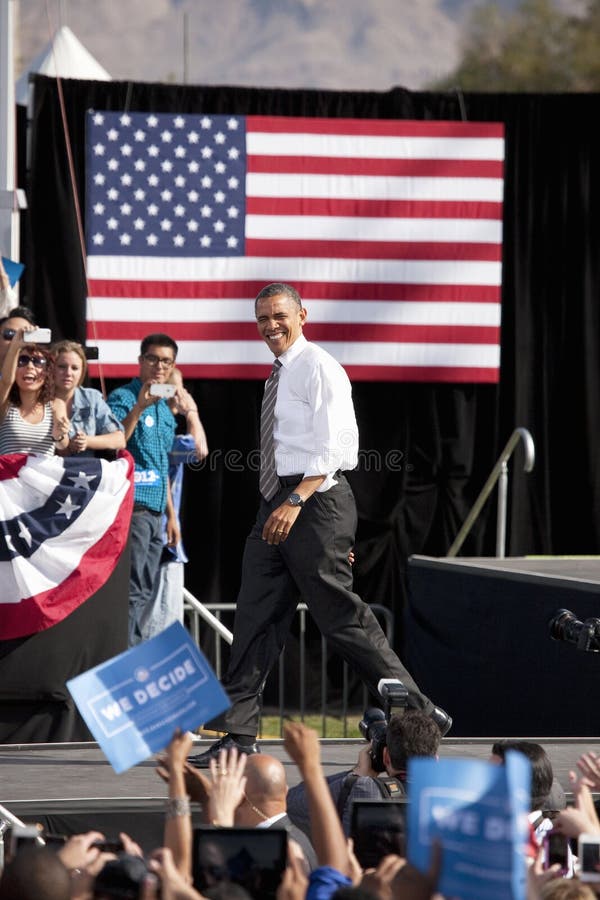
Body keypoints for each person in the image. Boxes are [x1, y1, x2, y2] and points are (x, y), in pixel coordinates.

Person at [189, 282, 451, 766]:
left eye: (279, 315)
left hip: (313, 499)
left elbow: (338, 450)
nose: (271, 325)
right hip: (278, 501)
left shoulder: (319, 368)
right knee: (254, 619)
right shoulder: (279, 375)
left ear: (302, 315)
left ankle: (420, 712)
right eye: (263, 318)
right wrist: (281, 502)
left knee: (340, 618)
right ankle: (239, 736)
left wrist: (294, 501)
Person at [107, 333, 180, 646]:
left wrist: (171, 516)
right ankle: (124, 661)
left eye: (165, 360)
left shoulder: (165, 409)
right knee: (132, 590)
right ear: (140, 361)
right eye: (152, 358)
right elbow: (114, 442)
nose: (158, 365)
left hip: (155, 513)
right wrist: (138, 407)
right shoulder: (123, 396)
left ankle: (131, 654)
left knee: (145, 589)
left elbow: (162, 465)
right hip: (130, 506)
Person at [287, 709, 442, 838]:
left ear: (386, 756)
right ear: (435, 760)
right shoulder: (454, 796)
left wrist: (357, 774)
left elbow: (291, 803)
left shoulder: (364, 788)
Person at [0, 328, 70, 455]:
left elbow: (62, 444)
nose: (30, 366)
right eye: (23, 361)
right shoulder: (5, 404)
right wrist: (15, 346)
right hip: (10, 474)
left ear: (47, 371)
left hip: (43, 474)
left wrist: (59, 434)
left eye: (38, 362)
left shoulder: (56, 404)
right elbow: (5, 382)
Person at [51, 339, 125, 457]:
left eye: (75, 368)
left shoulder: (92, 398)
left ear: (82, 371)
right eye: (62, 366)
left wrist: (87, 441)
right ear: (51, 368)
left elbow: (119, 439)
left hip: (85, 472)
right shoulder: (38, 398)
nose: (68, 373)